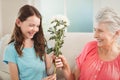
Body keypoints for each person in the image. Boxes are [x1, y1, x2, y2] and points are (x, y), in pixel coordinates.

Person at [55, 8, 120, 80]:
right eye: (95, 30)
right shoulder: (89, 47)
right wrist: (65, 67)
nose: (95, 35)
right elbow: (74, 78)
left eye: (100, 31)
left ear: (116, 33)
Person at [3, 4, 56, 80]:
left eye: (37, 26)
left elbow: (48, 67)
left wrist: (53, 72)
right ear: (18, 22)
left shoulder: (42, 43)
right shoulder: (11, 49)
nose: (35, 29)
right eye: (31, 25)